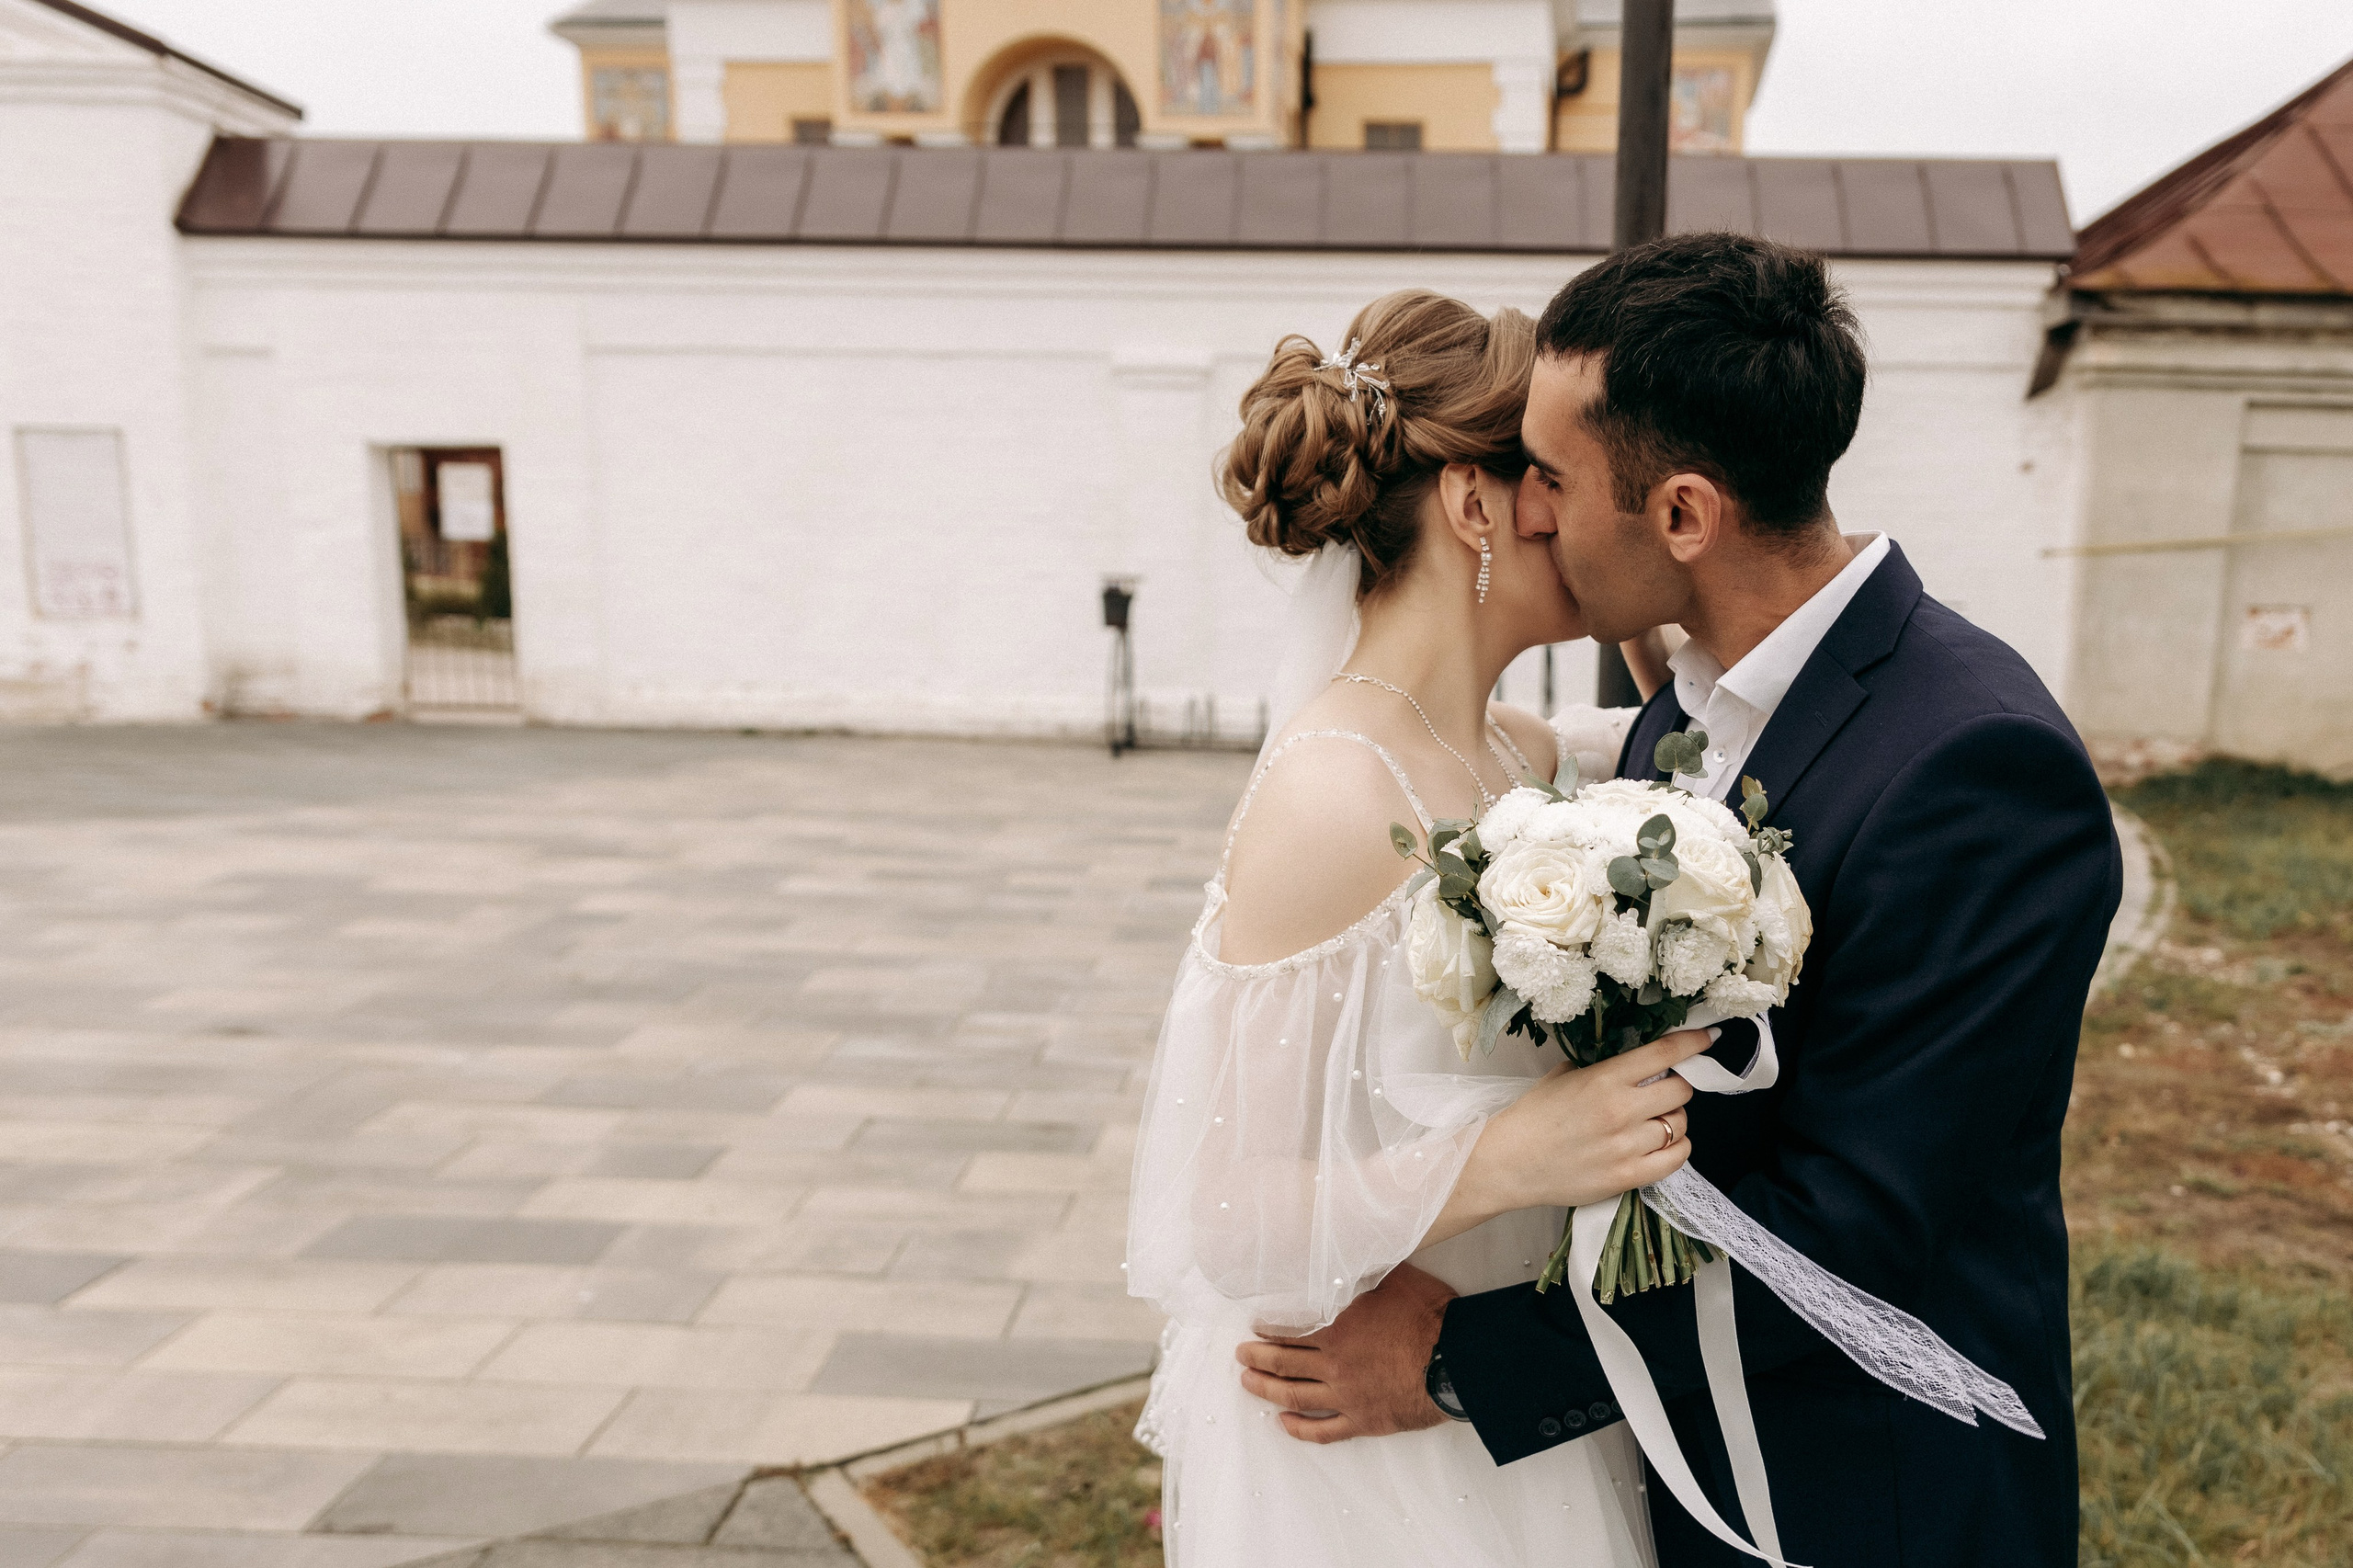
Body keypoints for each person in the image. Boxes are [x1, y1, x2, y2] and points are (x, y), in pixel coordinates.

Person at [1231, 233, 2122, 1568]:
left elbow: (1855, 1235)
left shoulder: (1978, 769)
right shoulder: (1680, 710)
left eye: (1551, 475)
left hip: (1862, 1499)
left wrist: (1458, 1362)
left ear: (1685, 516)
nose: (1530, 511)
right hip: (1660, 1470)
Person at [1124, 289, 1714, 1566]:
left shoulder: (1516, 751)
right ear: (1474, 503)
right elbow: (1224, 1214)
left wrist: (1676, 601)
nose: (1590, 508)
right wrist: (1515, 1155)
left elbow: (1714, 748)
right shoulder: (1335, 794)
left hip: (1502, 1399)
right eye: (1555, 473)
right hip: (1374, 1452)